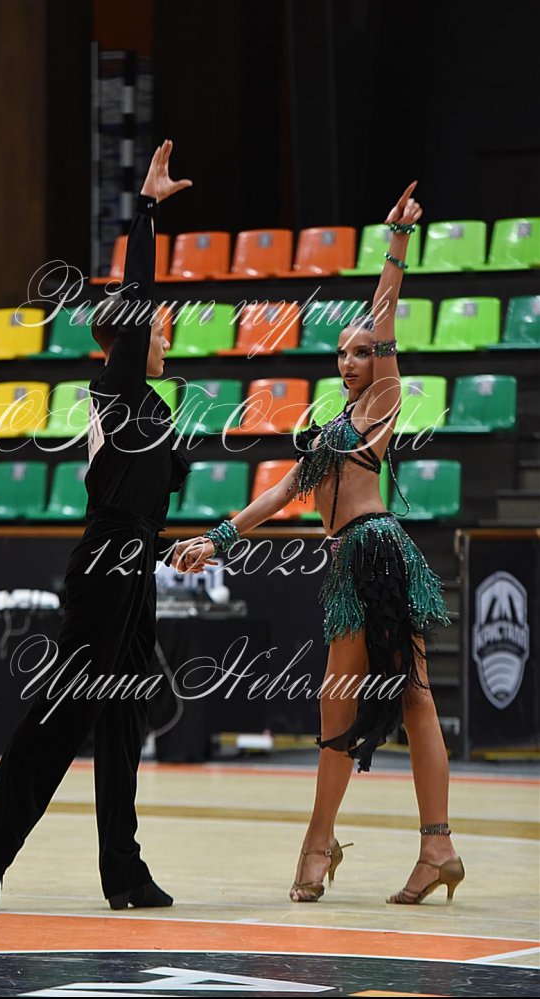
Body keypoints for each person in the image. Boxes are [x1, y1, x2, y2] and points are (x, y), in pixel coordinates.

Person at [172, 182, 465, 907]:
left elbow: (385, 314)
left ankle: (376, 843)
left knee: (402, 699)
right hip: (350, 563)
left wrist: (396, 242)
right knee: (360, 705)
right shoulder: (333, 429)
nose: (350, 361)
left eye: (362, 352)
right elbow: (280, 494)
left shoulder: (382, 404)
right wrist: (217, 537)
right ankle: (410, 847)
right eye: (342, 353)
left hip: (376, 551)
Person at [0, 140, 192, 912]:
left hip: (137, 563)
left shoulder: (150, 405)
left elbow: (151, 491)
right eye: (154, 331)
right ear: (126, 340)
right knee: (69, 709)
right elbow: (138, 293)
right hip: (106, 563)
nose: (166, 337)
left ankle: (124, 870)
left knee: (123, 718)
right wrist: (146, 210)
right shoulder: (116, 387)